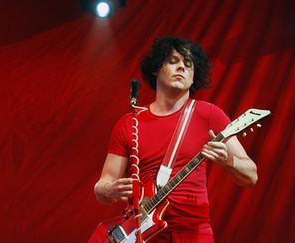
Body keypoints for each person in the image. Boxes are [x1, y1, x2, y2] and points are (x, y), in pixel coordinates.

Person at [93, 37, 258, 242]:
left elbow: (251, 175)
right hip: (139, 232)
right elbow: (102, 186)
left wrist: (229, 161)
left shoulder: (209, 114)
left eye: (188, 64)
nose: (182, 67)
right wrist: (109, 189)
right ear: (155, 68)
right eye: (173, 61)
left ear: (194, 76)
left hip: (193, 232)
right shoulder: (129, 123)